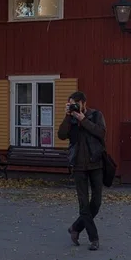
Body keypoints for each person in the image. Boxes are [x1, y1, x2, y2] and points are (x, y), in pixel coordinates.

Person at [57, 90, 107, 250]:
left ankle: (75, 228)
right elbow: (61, 135)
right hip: (78, 165)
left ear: (84, 103)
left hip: (95, 163)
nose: (75, 107)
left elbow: (101, 133)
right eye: (72, 104)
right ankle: (94, 239)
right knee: (83, 204)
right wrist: (67, 116)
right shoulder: (70, 119)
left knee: (96, 202)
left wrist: (83, 120)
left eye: (77, 104)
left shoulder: (96, 115)